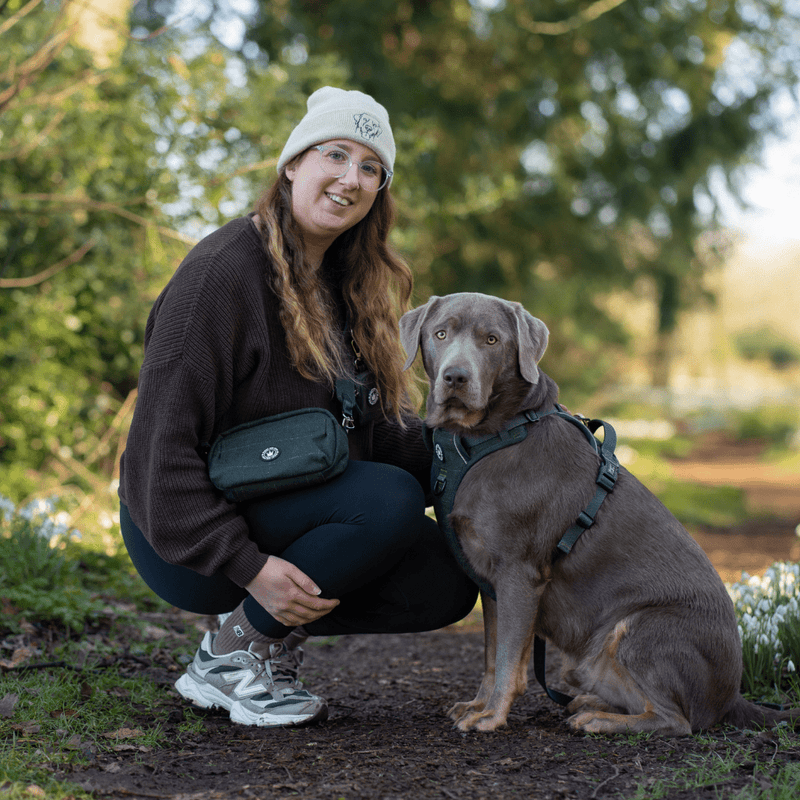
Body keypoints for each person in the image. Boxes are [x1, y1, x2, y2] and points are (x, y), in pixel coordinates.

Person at [118, 87, 479, 728]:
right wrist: (248, 568)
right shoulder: (220, 275)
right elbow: (158, 455)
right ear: (292, 165)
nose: (351, 178)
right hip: (182, 534)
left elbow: (377, 436)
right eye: (335, 154)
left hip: (279, 503)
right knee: (387, 499)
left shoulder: (349, 288)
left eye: (371, 168)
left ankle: (268, 638)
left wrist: (494, 443)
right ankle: (233, 653)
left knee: (445, 577)